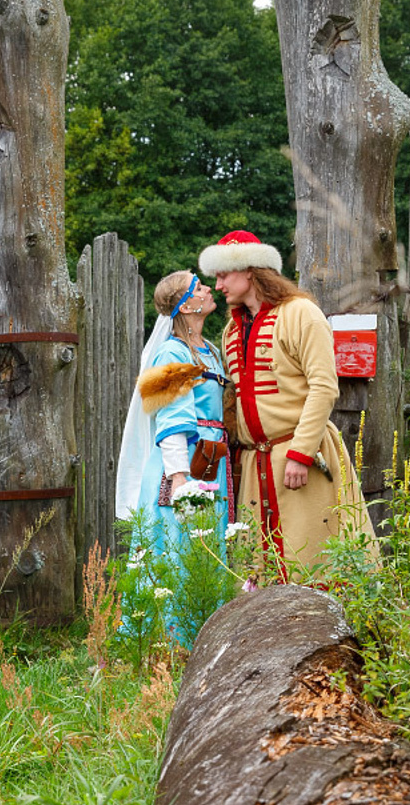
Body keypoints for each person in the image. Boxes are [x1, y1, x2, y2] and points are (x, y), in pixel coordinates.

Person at [198, 229, 377, 574]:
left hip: (301, 458)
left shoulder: (302, 314)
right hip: (254, 467)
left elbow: (324, 387)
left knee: (313, 555)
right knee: (257, 568)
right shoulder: (232, 331)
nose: (218, 286)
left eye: (223, 275)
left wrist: (301, 453)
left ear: (249, 270)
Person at [115, 270, 231, 562]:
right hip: (184, 462)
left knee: (206, 553)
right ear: (187, 304)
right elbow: (171, 419)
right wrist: (179, 479)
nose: (208, 290)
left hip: (211, 460)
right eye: (200, 288)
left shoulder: (211, 352)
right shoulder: (171, 353)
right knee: (179, 551)